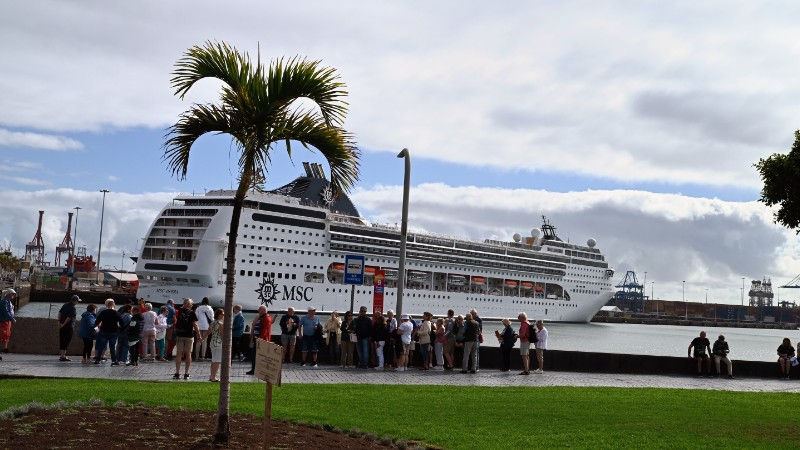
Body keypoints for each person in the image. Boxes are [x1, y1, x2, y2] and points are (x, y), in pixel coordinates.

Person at [173, 298, 199, 380]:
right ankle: (186, 373)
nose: (192, 305)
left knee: (179, 354)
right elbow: (195, 324)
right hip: (189, 335)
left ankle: (177, 373)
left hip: (180, 335)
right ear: (189, 305)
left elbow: (175, 320)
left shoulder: (179, 311)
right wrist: (198, 334)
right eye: (191, 304)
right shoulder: (192, 313)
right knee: (188, 354)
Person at [94, 299, 122, 365]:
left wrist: (97, 330)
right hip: (113, 332)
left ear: (106, 305)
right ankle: (113, 361)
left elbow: (96, 322)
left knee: (101, 346)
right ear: (114, 305)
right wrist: (119, 329)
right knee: (112, 347)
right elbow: (122, 322)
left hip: (103, 331)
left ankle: (98, 360)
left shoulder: (103, 312)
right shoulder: (116, 313)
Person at [246, 305, 272, 375]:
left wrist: (259, 340)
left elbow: (264, 331)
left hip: (261, 340)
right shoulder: (262, 317)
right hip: (258, 339)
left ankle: (255, 370)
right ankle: (254, 370)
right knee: (255, 355)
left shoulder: (266, 318)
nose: (258, 311)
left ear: (263, 310)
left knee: (256, 355)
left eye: (259, 309)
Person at [57, 294, 81, 362]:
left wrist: (59, 322)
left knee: (62, 340)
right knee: (66, 341)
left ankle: (62, 355)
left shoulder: (65, 304)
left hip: (62, 325)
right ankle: (63, 356)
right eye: (77, 301)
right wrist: (63, 324)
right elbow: (69, 318)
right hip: (68, 327)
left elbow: (59, 313)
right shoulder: (73, 308)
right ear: (75, 301)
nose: (78, 302)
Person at [208, 308, 224, 382]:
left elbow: (208, 331)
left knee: (214, 360)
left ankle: (211, 376)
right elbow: (221, 334)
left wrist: (202, 339)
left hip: (212, 342)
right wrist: (225, 343)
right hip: (218, 343)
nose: (223, 315)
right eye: (222, 314)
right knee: (217, 361)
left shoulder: (212, 322)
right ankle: (213, 377)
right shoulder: (220, 324)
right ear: (219, 315)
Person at [0, 289, 16, 358]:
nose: (13, 295)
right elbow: (6, 311)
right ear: (8, 294)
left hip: (7, 321)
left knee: (6, 335)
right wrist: (12, 319)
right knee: (2, 336)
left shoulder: (7, 301)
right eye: (12, 294)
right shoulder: (4, 301)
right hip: (4, 321)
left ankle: (4, 349)